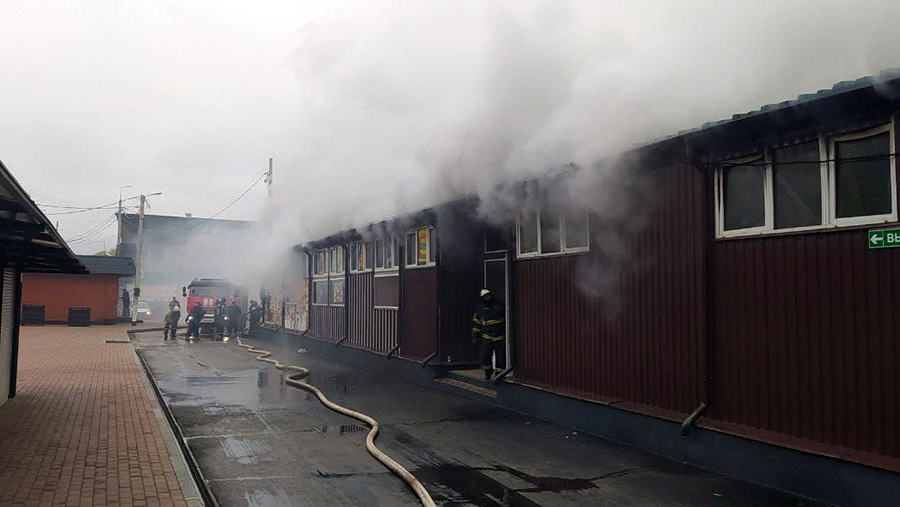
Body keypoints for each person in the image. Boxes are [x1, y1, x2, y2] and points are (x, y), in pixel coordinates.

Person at [471, 289, 506, 381]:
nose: (487, 298)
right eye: (485, 297)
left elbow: (507, 319)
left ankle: (499, 376)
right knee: (485, 357)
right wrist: (475, 336)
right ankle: (488, 372)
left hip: (500, 337)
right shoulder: (480, 309)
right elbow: (476, 323)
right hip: (487, 337)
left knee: (501, 358)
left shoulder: (500, 306)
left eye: (488, 296)